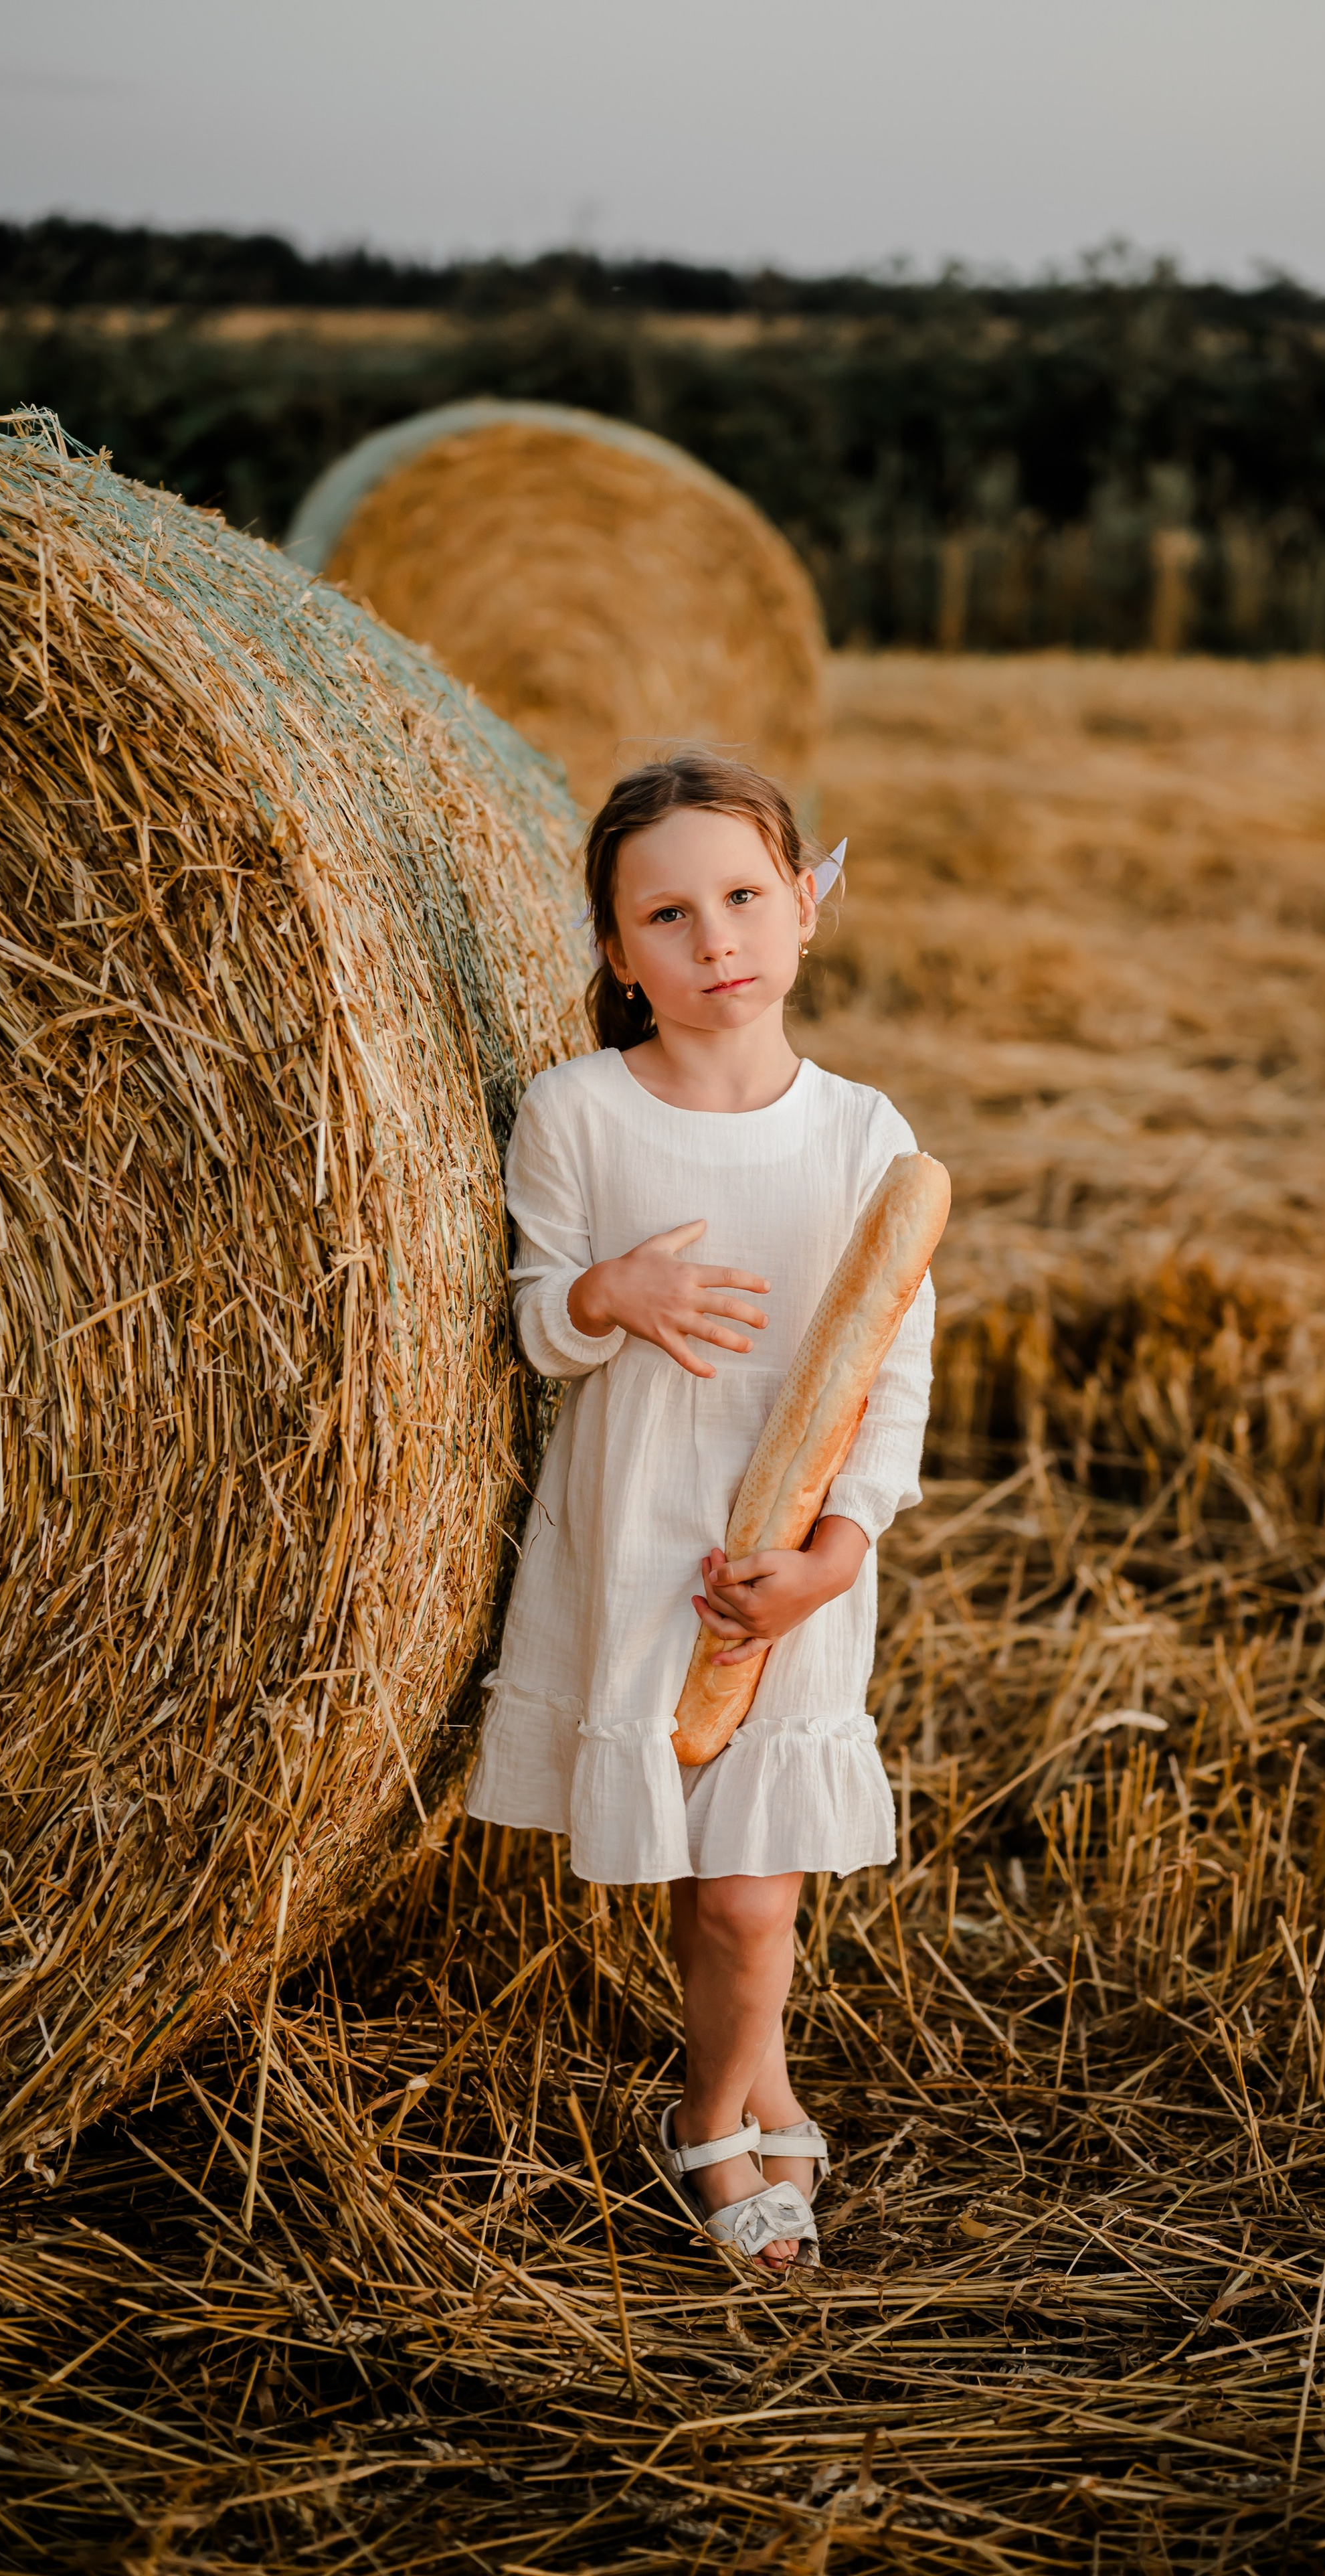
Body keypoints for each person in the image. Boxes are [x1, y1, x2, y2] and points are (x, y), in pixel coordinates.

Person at [466, 752, 934, 2273]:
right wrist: (614, 1289)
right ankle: (766, 2080)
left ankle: (710, 2115)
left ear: (805, 909)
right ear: (616, 954)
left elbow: (893, 1366)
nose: (713, 936)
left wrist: (832, 1558)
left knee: (745, 1898)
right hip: (644, 1542)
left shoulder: (863, 1131)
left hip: (789, 1565)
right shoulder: (576, 1112)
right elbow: (538, 1323)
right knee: (698, 1869)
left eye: (742, 897)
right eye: (666, 914)